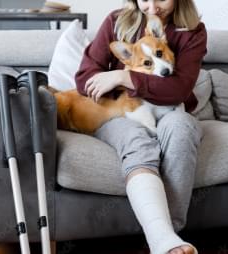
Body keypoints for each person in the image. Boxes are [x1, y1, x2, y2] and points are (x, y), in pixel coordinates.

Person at [75, 0, 207, 253]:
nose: (152, 7)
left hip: (171, 107)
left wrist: (124, 76)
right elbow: (84, 79)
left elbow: (179, 88)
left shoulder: (193, 32)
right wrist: (117, 81)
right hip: (119, 111)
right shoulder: (116, 21)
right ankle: (163, 240)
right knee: (138, 140)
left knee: (182, 130)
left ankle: (170, 234)